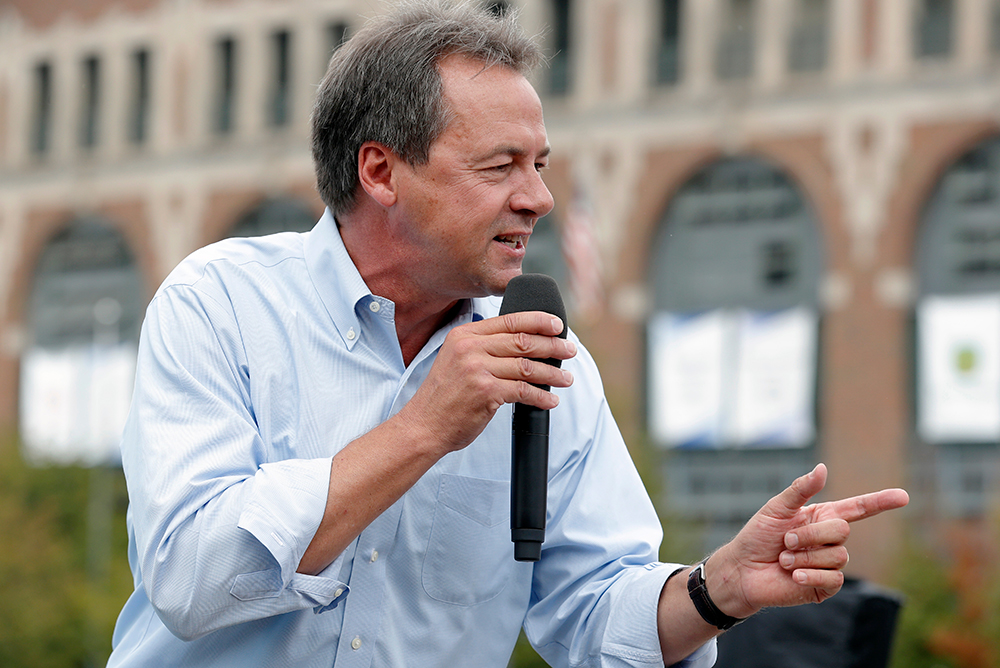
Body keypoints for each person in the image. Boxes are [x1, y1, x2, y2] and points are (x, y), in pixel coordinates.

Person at [106, 2, 909, 666]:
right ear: (380, 172)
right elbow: (189, 581)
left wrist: (717, 590)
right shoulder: (220, 305)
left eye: (540, 165)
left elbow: (594, 610)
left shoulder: (549, 363)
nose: (538, 199)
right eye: (500, 167)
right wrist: (423, 429)